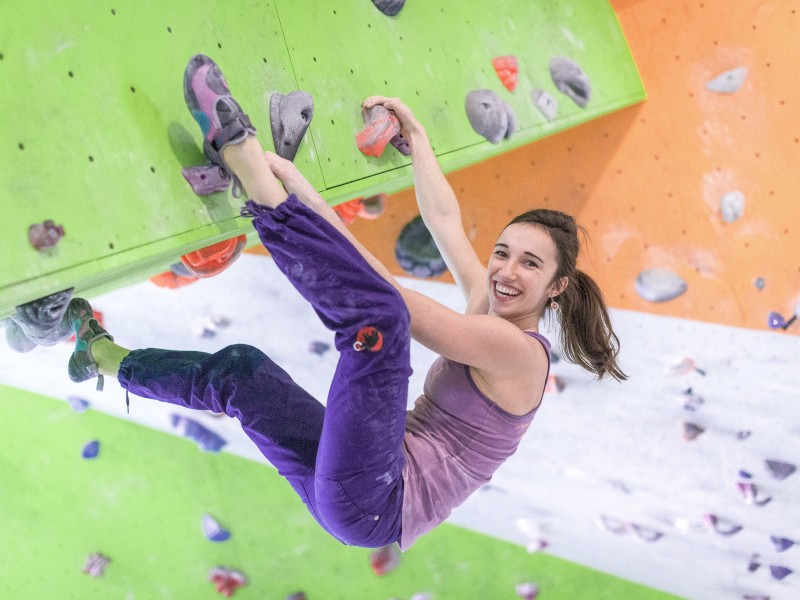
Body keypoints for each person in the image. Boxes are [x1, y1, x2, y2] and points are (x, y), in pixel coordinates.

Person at [64, 54, 626, 551]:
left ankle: (246, 165)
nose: (504, 270)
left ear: (557, 286)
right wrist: (414, 144)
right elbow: (445, 223)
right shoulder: (490, 307)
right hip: (360, 479)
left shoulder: (520, 354)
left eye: (530, 264)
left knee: (384, 321)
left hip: (378, 499)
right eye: (503, 252)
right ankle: (102, 355)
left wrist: (287, 195)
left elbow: (390, 304)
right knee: (241, 373)